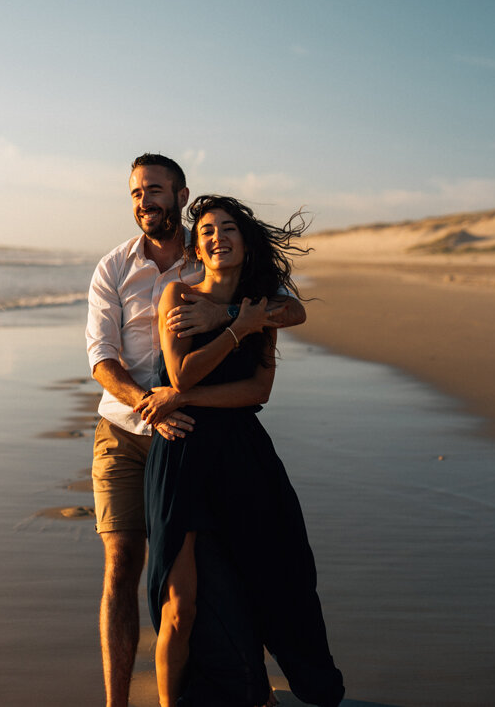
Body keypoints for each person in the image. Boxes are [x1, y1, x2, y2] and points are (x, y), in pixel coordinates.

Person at [86, 155, 307, 707]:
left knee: (219, 569)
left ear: (181, 196)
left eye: (155, 191)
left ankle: (241, 685)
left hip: (194, 435)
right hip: (124, 428)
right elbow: (101, 360)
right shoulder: (113, 267)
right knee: (122, 564)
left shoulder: (211, 250)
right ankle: (117, 702)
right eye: (137, 193)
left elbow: (286, 309)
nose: (144, 202)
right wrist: (148, 405)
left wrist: (224, 315)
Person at [135, 195, 345, 707]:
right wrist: (235, 330)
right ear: (197, 248)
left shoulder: (262, 306)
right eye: (205, 231)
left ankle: (257, 688)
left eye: (228, 228)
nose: (216, 236)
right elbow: (182, 372)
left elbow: (258, 392)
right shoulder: (176, 297)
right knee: (179, 605)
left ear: (246, 245)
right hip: (181, 456)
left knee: (267, 578)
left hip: (242, 457)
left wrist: (238, 320)